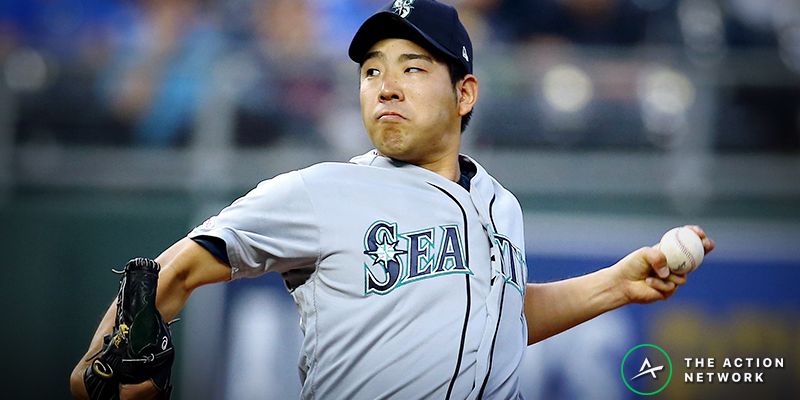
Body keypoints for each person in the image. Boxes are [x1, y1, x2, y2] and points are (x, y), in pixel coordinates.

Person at [70, 1, 715, 398]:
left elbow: (500, 319)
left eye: (412, 68)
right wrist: (92, 370)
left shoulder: (502, 206)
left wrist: (615, 285)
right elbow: (177, 268)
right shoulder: (323, 191)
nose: (386, 85)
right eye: (372, 70)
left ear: (464, 93)